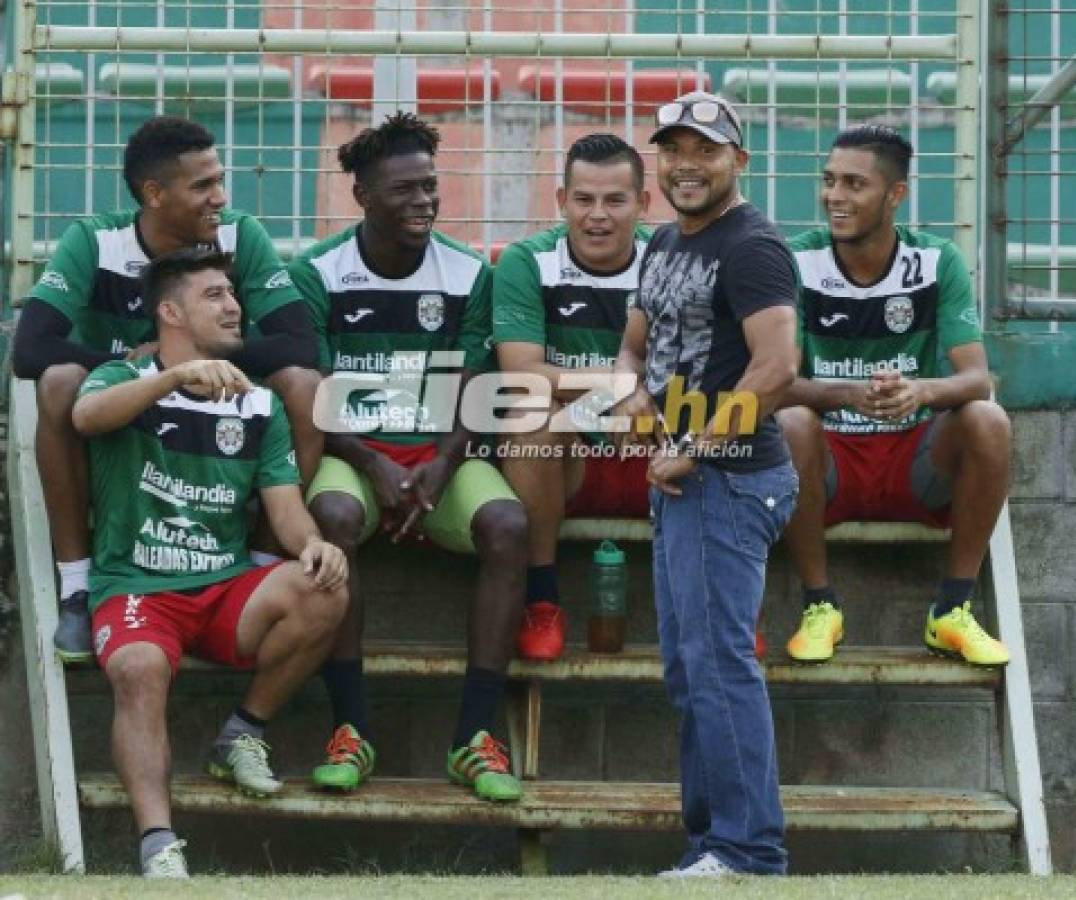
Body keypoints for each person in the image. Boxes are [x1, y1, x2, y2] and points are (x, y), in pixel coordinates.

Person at [72, 247, 348, 878]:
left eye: (233, 292)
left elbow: (285, 508)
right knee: (138, 668)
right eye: (214, 295)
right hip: (137, 586)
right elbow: (84, 418)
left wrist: (311, 543)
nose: (233, 305)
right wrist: (171, 379)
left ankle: (242, 731)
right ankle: (159, 844)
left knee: (325, 586)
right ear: (169, 312)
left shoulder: (258, 403)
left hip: (224, 588)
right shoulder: (122, 380)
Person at [12, 116, 324, 665]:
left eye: (220, 181)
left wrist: (205, 359)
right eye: (202, 186)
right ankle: (77, 586)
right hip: (119, 419)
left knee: (303, 386)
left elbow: (299, 344)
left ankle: (258, 561)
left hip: (215, 408)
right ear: (153, 193)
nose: (220, 198)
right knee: (60, 382)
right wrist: (142, 367)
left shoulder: (239, 235)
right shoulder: (96, 239)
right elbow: (31, 350)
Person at [291, 112, 529, 801]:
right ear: (362, 196)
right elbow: (311, 398)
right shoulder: (315, 273)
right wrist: (373, 465)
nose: (424, 201)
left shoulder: (465, 272)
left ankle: (474, 738)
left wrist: (440, 467)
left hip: (437, 459)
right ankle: (351, 730)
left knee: (509, 526)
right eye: (405, 191)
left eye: (430, 186)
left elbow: (474, 391)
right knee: (332, 513)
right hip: (355, 452)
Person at [614, 91, 799, 877]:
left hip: (730, 479)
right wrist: (631, 392)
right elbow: (633, 347)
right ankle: (710, 845)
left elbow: (777, 366)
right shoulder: (661, 240)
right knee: (691, 667)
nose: (687, 165)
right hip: (686, 481)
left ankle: (746, 849)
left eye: (706, 150)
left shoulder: (752, 245)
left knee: (718, 662)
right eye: (674, 149)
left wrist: (693, 446)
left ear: (739, 160)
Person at [777, 125, 1011, 667]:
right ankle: (819, 606)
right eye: (829, 181)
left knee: (988, 419)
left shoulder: (936, 261)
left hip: (914, 461)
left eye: (855, 184)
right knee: (790, 422)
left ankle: (951, 610)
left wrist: (920, 390)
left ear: (895, 194)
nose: (835, 196)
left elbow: (978, 378)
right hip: (828, 462)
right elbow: (777, 382)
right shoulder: (794, 262)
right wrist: (846, 395)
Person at [493, 133, 651, 661]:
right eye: (583, 200)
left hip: (655, 445)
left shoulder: (669, 262)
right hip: (574, 454)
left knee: (731, 419)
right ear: (562, 202)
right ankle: (541, 600)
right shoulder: (527, 262)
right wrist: (620, 386)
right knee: (530, 414)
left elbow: (690, 372)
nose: (597, 216)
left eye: (615, 200)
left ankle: (731, 612)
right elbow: (520, 373)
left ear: (643, 204)